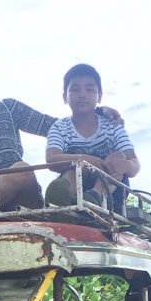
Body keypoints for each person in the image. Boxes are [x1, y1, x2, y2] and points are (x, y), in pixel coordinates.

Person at [0, 46, 124, 217]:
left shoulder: (8, 108)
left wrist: (96, 111)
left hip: (23, 199)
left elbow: (57, 126)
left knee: (22, 168)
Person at [43, 64, 140, 210]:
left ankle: (95, 195)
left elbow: (134, 163)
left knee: (118, 155)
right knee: (73, 170)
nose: (82, 94)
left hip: (111, 193)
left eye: (89, 89)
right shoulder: (59, 127)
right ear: (65, 97)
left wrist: (126, 165)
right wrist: (86, 160)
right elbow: (51, 159)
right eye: (75, 89)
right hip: (77, 188)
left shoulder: (112, 125)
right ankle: (63, 202)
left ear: (99, 96)